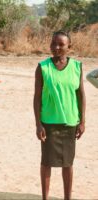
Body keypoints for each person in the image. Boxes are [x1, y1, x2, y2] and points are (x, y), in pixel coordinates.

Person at [33, 31, 86, 200]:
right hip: (48, 122)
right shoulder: (43, 67)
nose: (56, 47)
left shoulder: (77, 66)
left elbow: (81, 95)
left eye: (61, 44)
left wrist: (82, 121)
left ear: (69, 47)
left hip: (70, 122)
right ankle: (45, 197)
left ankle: (67, 198)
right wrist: (38, 124)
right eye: (53, 44)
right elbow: (37, 97)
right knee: (46, 163)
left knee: (68, 164)